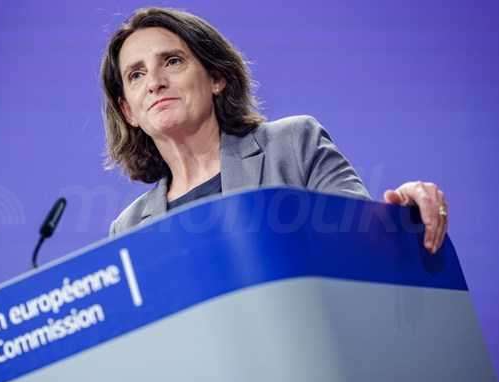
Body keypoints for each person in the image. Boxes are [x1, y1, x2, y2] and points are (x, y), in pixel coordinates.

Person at [101, 7, 448, 253]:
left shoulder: (294, 145)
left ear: (216, 77)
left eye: (172, 61)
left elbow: (364, 245)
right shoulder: (128, 229)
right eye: (136, 75)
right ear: (128, 111)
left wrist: (403, 213)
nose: (155, 82)